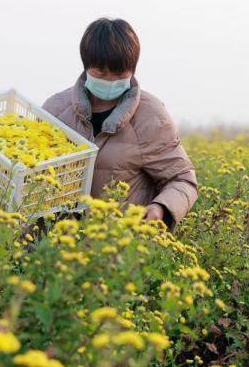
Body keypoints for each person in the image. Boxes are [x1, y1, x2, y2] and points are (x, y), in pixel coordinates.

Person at [42, 18, 197, 229]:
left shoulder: (150, 115)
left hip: (120, 251)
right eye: (101, 74)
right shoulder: (56, 110)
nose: (110, 81)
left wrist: (161, 207)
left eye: (119, 74)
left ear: (132, 69)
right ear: (86, 66)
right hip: (56, 251)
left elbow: (182, 179)